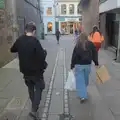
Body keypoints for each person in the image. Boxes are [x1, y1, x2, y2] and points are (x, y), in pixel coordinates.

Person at [10, 22, 47, 119]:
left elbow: (12, 49)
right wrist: (45, 52)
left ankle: (34, 105)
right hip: (36, 72)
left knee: (30, 88)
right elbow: (41, 56)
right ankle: (34, 110)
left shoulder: (20, 40)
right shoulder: (35, 41)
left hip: (25, 71)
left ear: (25, 30)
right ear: (34, 31)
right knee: (40, 87)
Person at [71, 32, 99, 103]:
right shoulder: (90, 44)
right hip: (87, 65)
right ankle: (83, 91)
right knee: (85, 79)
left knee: (80, 81)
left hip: (79, 65)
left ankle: (82, 96)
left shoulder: (78, 45)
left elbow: (74, 56)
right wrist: (96, 62)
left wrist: (72, 65)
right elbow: (95, 53)